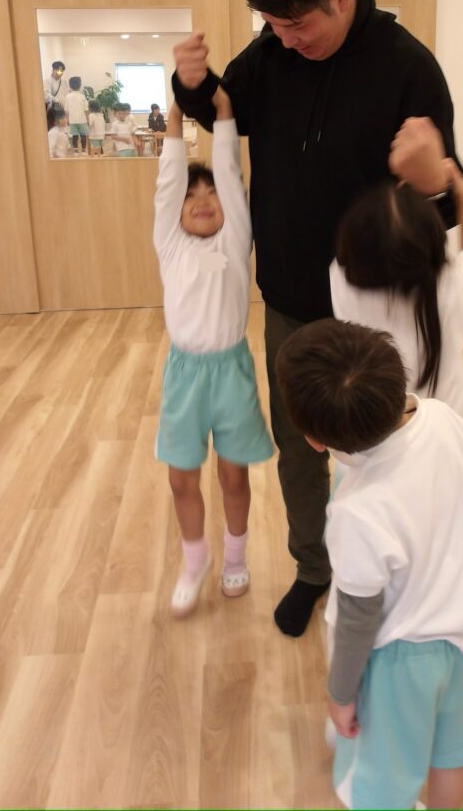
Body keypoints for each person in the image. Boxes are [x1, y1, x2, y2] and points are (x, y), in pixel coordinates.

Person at [172, 0, 461, 637]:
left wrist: (433, 179)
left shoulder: (407, 67)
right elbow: (223, 107)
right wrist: (192, 85)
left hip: (380, 310)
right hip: (293, 300)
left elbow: (447, 201)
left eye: (298, 25)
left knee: (391, 445)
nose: (287, 40)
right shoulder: (272, 55)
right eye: (273, 26)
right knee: (302, 449)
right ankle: (313, 568)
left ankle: (399, 573)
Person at [276, 319, 463, 810]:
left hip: (399, 664)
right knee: (449, 759)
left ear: (314, 440)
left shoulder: (358, 511)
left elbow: (357, 619)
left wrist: (340, 695)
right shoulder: (444, 418)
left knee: (381, 788)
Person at [153, 86, 273, 617]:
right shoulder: (171, 244)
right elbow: (168, 184)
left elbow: (228, 172)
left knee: (233, 474)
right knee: (181, 476)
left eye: (211, 194)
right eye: (191, 196)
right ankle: (195, 558)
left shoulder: (234, 239)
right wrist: (177, 113)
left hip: (230, 373)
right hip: (184, 375)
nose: (202, 201)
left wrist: (224, 111)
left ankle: (236, 556)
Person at [331, 157, 463, 445]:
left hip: (374, 445)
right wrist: (461, 190)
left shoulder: (342, 283)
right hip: (450, 443)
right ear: (434, 244)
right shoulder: (451, 287)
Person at [64, 76, 89, 154]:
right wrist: (88, 119)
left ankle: (76, 152)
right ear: (80, 85)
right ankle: (84, 151)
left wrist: (67, 119)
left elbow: (66, 110)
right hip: (82, 120)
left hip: (72, 120)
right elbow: (86, 109)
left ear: (70, 86)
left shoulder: (68, 96)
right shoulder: (82, 96)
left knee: (74, 136)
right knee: (83, 135)